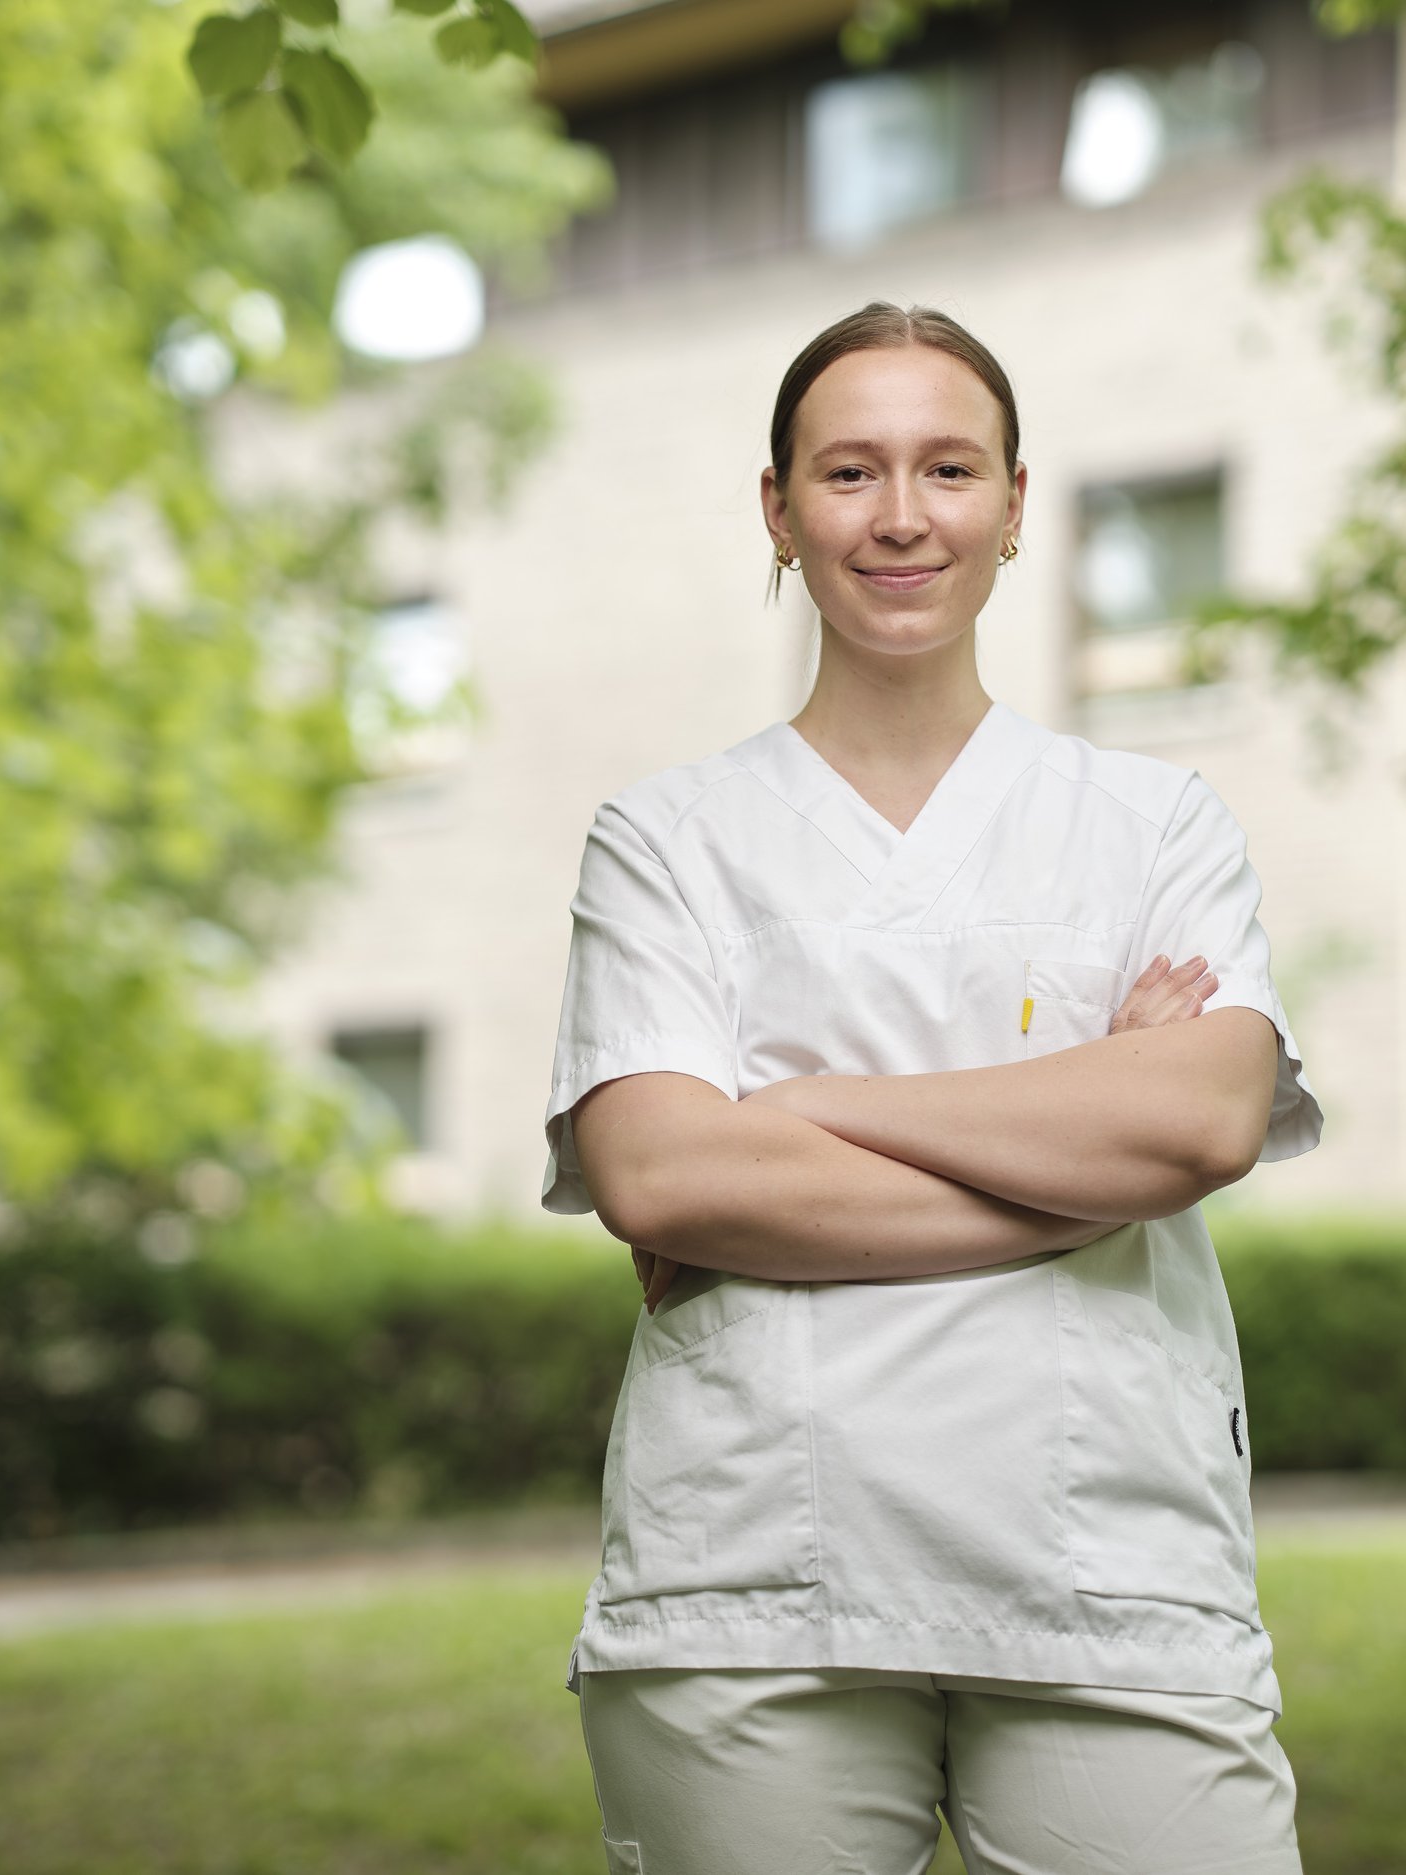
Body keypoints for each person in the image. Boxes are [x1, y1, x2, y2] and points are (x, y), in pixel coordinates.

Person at [539, 301, 1323, 1875]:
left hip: (1115, 1576)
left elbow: (1205, 1121)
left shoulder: (1156, 823)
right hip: (752, 1587)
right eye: (849, 472)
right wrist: (1080, 1129)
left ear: (1018, 505)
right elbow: (665, 1182)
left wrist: (793, 1116)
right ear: (779, 508)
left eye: (950, 468)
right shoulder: (666, 842)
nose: (902, 515)